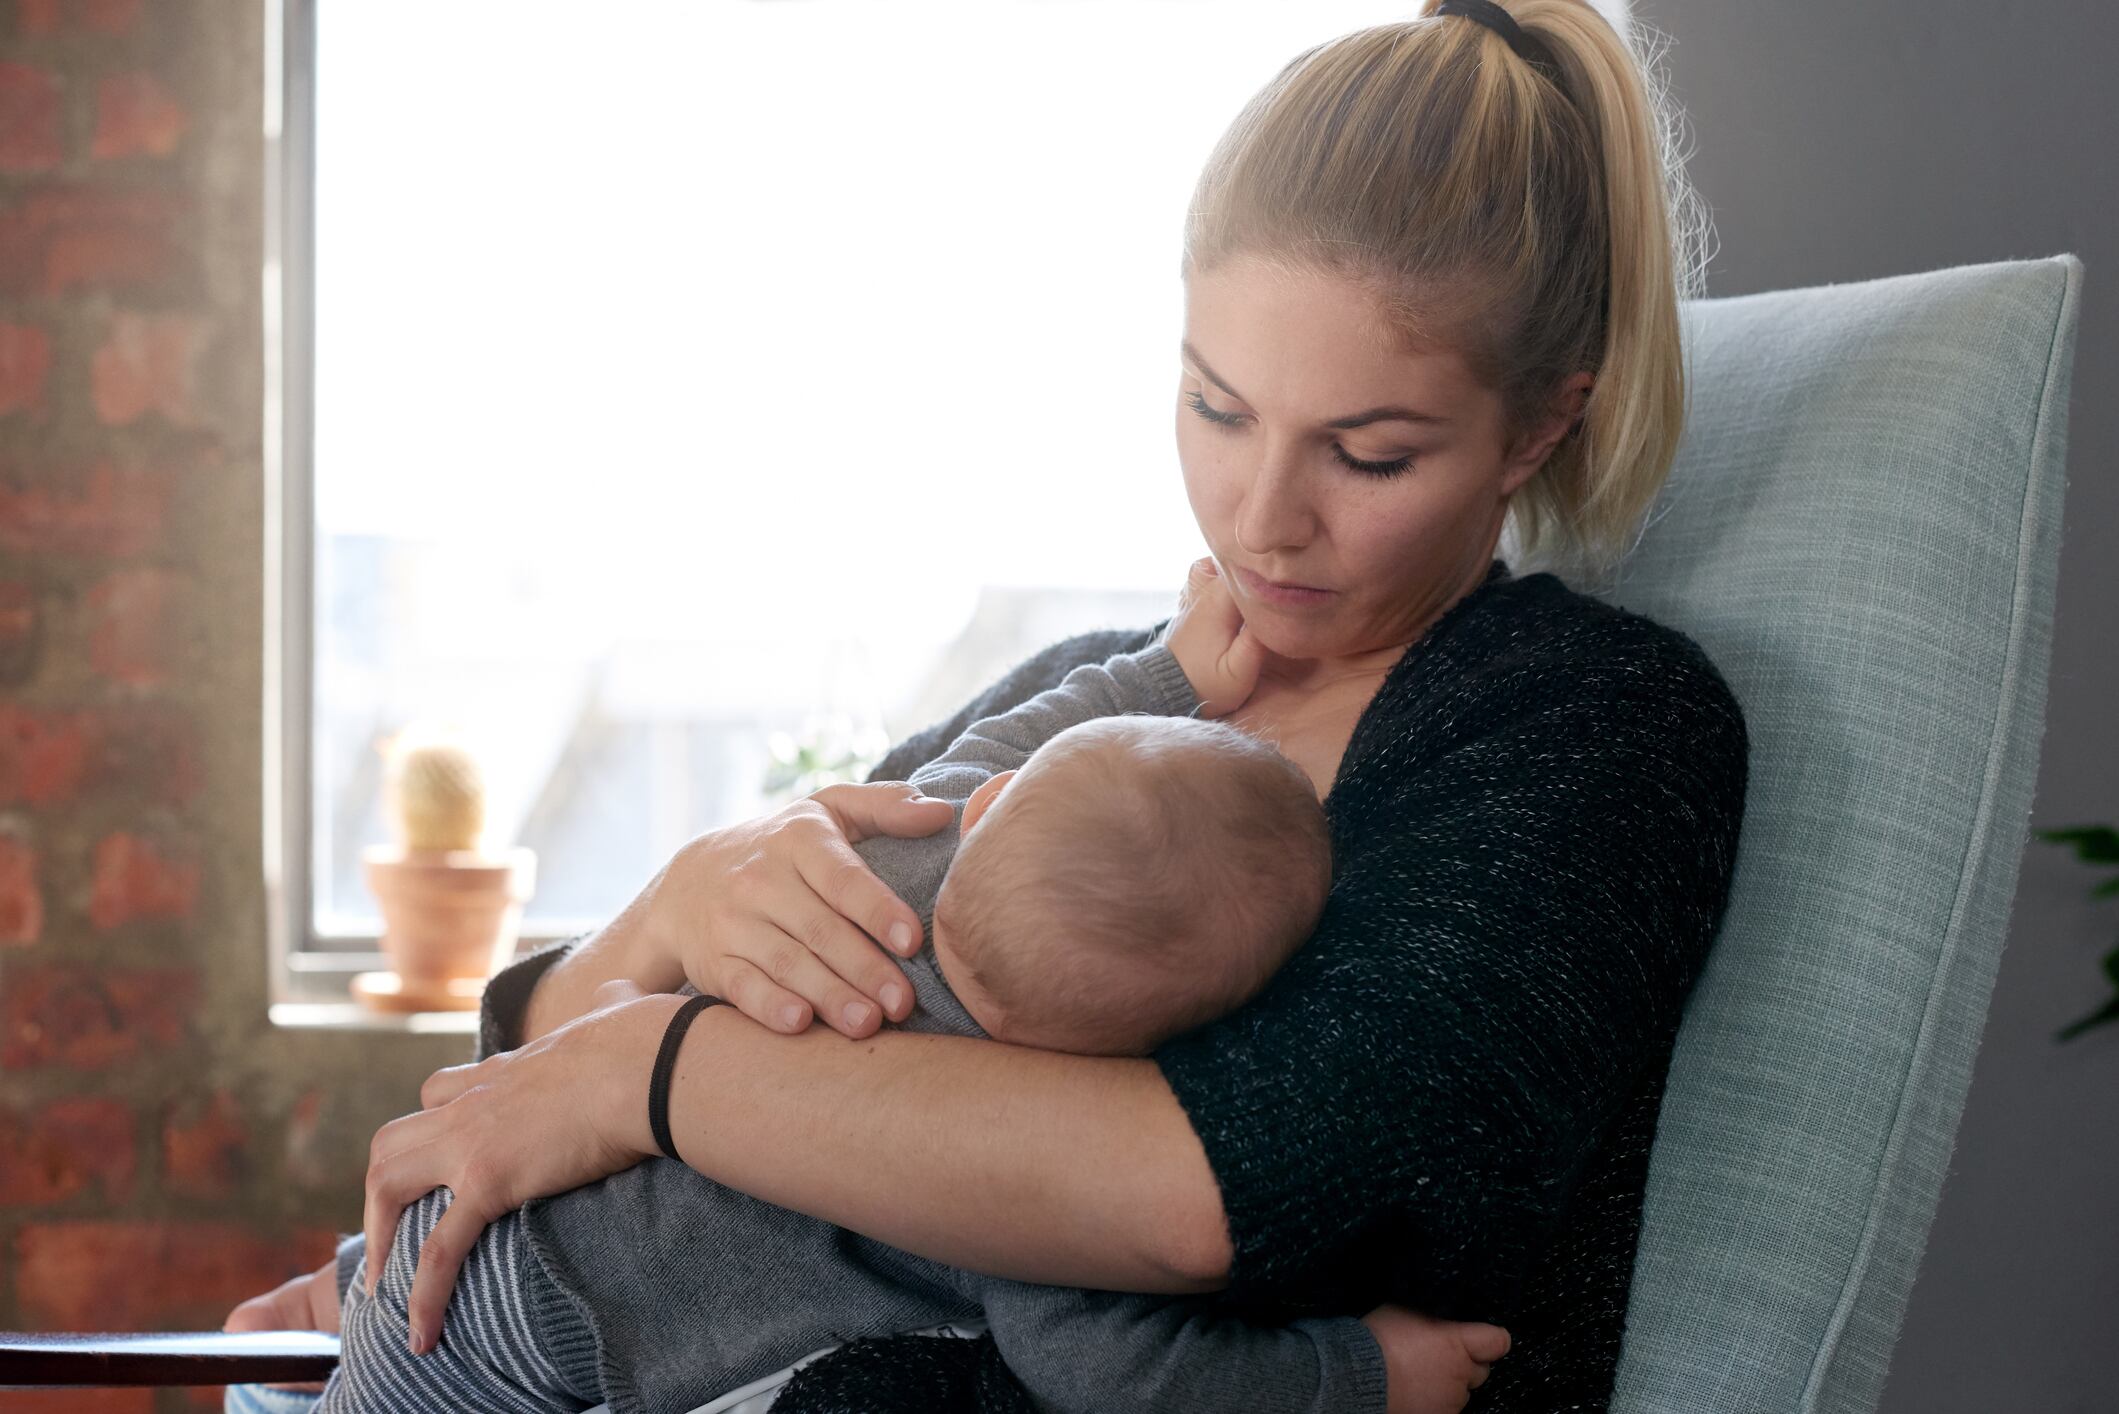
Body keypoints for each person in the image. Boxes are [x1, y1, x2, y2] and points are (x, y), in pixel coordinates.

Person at [227, 1, 1746, 1409]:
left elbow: (1211, 1193)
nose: (1260, 516)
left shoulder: (1589, 730)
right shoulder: (1082, 696)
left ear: (1544, 419)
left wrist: (655, 1075)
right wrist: (673, 917)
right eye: (1215, 407)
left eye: (1366, 455)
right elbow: (536, 1078)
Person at [307, 572, 1511, 1414]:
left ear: (992, 802)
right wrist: (1361, 1378)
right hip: (557, 1323)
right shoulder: (1029, 1164)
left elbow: (1042, 728)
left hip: (471, 1237)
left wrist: (1172, 670)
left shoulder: (902, 848)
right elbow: (1124, 1375)